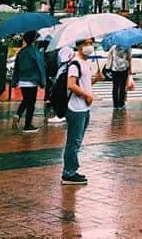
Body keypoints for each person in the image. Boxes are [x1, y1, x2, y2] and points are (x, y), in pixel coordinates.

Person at [61, 37, 101, 185]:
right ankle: (68, 173)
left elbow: (83, 83)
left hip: (84, 108)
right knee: (73, 141)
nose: (90, 46)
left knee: (77, 141)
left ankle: (72, 169)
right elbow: (71, 85)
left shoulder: (86, 62)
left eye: (91, 43)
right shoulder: (75, 63)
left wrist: (96, 79)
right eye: (87, 44)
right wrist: (87, 95)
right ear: (79, 46)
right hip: (75, 108)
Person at [11, 31, 46, 132]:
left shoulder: (21, 52)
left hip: (22, 81)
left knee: (26, 100)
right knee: (31, 103)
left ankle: (18, 115)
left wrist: (15, 80)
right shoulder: (35, 52)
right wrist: (42, 82)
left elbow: (16, 67)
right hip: (32, 81)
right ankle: (27, 125)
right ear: (34, 40)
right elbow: (40, 67)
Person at [106, 41, 131, 110]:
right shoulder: (127, 46)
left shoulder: (113, 46)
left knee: (115, 87)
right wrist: (130, 69)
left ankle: (115, 104)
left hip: (115, 69)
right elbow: (129, 58)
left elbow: (109, 56)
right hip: (124, 69)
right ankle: (121, 104)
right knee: (122, 87)